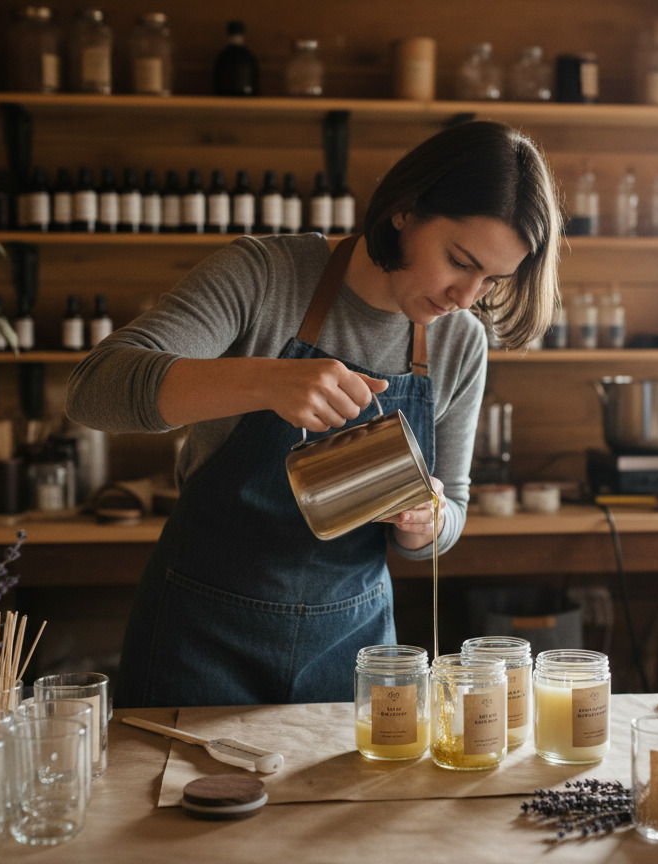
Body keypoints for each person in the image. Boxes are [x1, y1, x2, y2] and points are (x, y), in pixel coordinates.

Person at [66, 120, 562, 707]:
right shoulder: (265, 277)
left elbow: (451, 506)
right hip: (202, 635)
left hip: (355, 649)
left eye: (491, 280)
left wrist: (428, 522)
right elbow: (93, 387)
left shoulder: (460, 344)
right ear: (404, 210)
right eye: (459, 260)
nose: (465, 297)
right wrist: (265, 380)